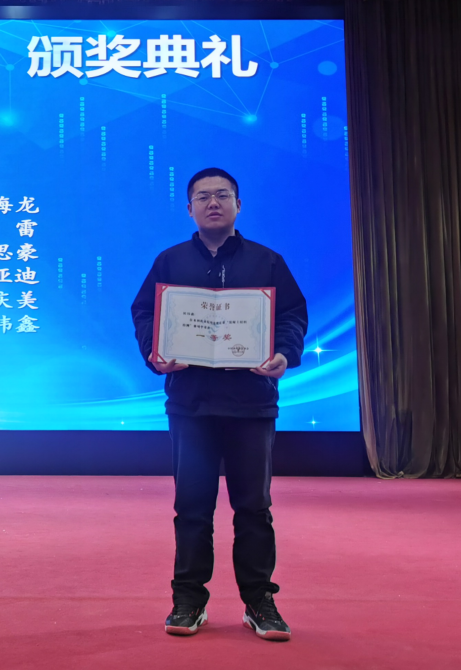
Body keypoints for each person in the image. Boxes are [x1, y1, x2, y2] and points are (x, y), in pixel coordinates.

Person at [130, 167, 307, 641]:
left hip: (251, 404)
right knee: (192, 508)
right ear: (189, 208)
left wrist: (284, 353)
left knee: (254, 508)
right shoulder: (169, 262)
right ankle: (188, 600)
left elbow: (292, 314)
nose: (213, 203)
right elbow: (145, 312)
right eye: (203, 196)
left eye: (223, 195)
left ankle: (259, 601)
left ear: (238, 205)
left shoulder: (267, 261)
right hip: (191, 405)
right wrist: (155, 351)